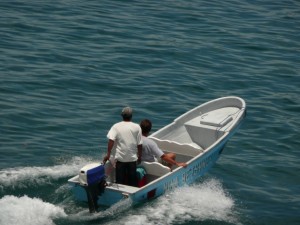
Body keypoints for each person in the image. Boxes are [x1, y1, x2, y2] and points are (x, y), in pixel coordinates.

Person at [103, 107, 142, 187]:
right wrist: (140, 156)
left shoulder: (116, 126)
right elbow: (139, 144)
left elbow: (111, 140)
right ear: (131, 116)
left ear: (122, 116)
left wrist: (108, 154)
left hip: (120, 159)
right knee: (132, 180)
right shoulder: (137, 127)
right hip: (132, 158)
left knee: (119, 181)